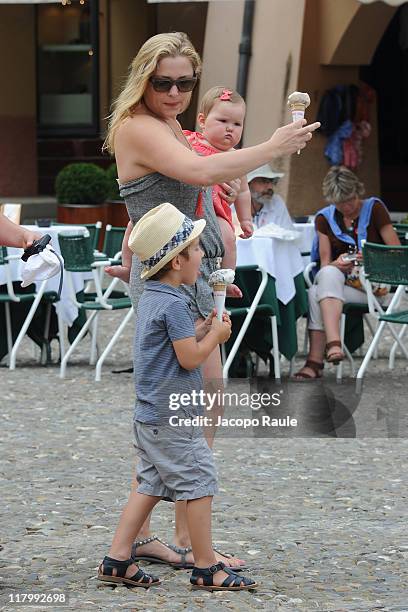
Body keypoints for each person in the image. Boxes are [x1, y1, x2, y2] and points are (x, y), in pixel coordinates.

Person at [103, 31, 320, 567]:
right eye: (163, 83)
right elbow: (199, 173)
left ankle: (156, 536)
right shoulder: (138, 127)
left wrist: (218, 268)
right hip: (167, 283)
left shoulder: (172, 125)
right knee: (187, 407)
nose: (175, 93)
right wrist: (273, 147)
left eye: (184, 83)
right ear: (142, 79)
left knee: (192, 406)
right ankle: (178, 540)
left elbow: (202, 188)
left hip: (195, 278)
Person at [98, 203, 258, 592]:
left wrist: (202, 327)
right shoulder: (173, 304)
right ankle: (206, 566)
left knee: (150, 484)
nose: (202, 255)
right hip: (175, 418)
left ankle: (118, 558)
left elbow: (174, 346)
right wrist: (216, 338)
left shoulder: (153, 297)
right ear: (175, 262)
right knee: (200, 481)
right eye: (197, 249)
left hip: (149, 416)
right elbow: (188, 358)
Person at [295, 165, 400, 380]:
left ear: (357, 191)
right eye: (340, 203)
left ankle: (316, 360)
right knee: (325, 278)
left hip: (373, 286)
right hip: (340, 285)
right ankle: (332, 346)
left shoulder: (374, 209)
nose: (347, 206)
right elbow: (325, 264)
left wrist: (371, 257)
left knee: (316, 292)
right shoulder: (325, 219)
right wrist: (338, 263)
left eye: (350, 199)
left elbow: (397, 253)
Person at [184, 86, 253, 274]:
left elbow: (244, 191)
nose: (230, 128)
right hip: (183, 206)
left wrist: (245, 219)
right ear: (202, 121)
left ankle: (225, 278)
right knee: (137, 222)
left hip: (216, 213)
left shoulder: (237, 158)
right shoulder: (189, 143)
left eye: (237, 124)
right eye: (223, 121)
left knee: (229, 238)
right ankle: (127, 264)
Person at [247, 164, 294, 230]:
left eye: (271, 181)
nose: (270, 187)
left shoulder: (276, 202)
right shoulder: (234, 205)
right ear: (248, 184)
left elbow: (288, 233)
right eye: (263, 181)